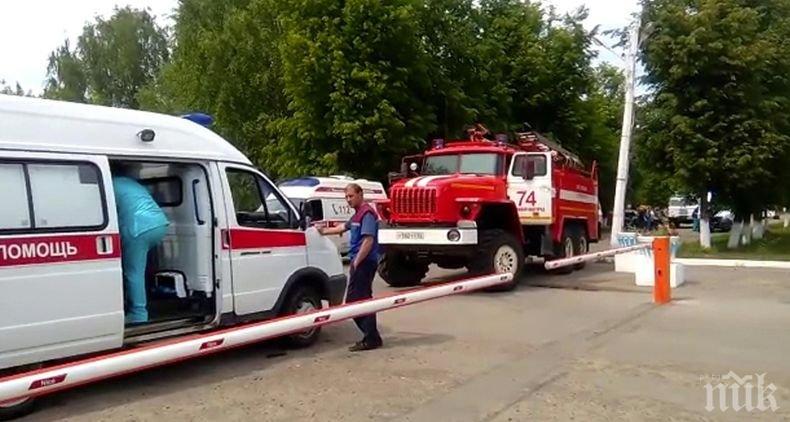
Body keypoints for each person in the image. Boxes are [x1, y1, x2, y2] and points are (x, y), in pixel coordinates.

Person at [318, 183, 383, 351]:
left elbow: (368, 240)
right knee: (362, 299)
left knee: (356, 301)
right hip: (361, 262)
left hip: (364, 263)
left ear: (360, 194)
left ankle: (371, 337)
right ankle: (372, 337)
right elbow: (342, 228)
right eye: (346, 197)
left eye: (351, 196)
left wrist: (356, 262)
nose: (348, 200)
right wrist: (322, 231)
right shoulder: (356, 215)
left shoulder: (367, 214)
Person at [111, 163, 170, 325]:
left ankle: (138, 315)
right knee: (139, 268)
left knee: (133, 272)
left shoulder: (108, 185)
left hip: (138, 227)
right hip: (159, 224)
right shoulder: (128, 183)